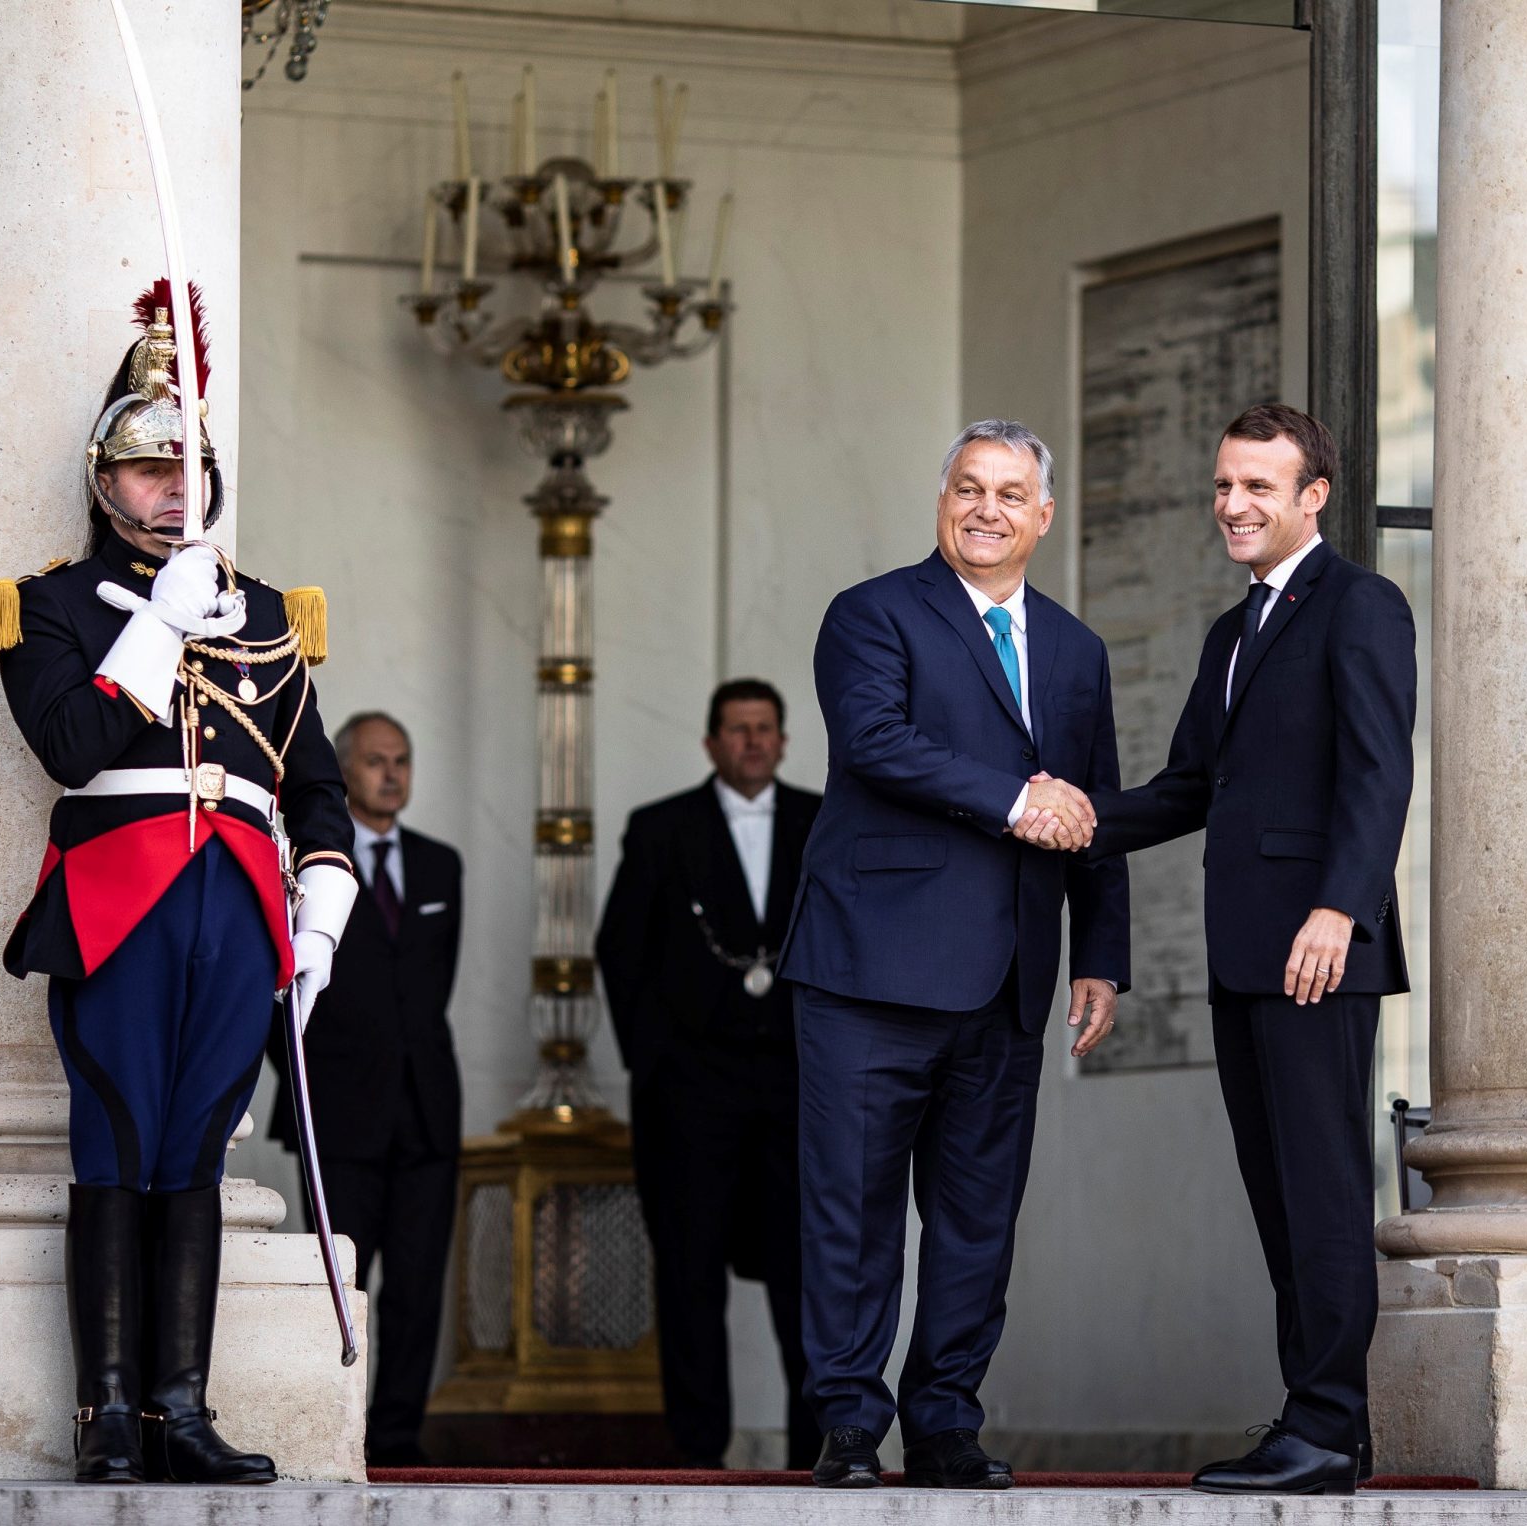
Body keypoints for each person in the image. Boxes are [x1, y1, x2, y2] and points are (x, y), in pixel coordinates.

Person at [0, 283, 358, 1485]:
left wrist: (322, 917)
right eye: (147, 469)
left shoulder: (274, 615)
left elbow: (316, 785)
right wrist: (160, 627)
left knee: (197, 1148)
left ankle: (181, 1410)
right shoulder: (44, 608)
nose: (173, 488)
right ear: (102, 481)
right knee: (118, 1135)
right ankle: (106, 1415)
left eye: (190, 467)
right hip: (120, 894)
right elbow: (73, 750)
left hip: (238, 903)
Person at [1021, 402, 1415, 1496]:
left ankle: (1328, 1425)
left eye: (1256, 487)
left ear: (1312, 497)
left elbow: (1380, 773)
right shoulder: (1231, 631)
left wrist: (1339, 908)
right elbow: (1193, 785)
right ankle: (1316, 1413)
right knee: (1278, 1193)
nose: (1232, 506)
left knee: (1323, 1190)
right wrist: (1076, 813)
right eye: (1222, 486)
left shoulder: (1362, 605)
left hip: (1316, 951)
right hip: (1245, 952)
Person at [779, 419, 1130, 1490]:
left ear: (1042, 514)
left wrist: (1099, 953)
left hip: (1010, 975)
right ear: (941, 502)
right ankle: (846, 1421)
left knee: (977, 1219)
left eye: (1008, 492)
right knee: (851, 1207)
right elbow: (875, 741)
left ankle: (944, 1421)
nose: (985, 508)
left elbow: (1091, 805)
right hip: (866, 972)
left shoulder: (1075, 648)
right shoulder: (872, 612)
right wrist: (1015, 798)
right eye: (966, 488)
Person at [594, 679, 823, 1470]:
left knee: (809, 1276)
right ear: (710, 743)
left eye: (765, 729)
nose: (753, 742)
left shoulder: (821, 820)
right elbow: (619, 950)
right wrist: (654, 1064)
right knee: (690, 1276)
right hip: (690, 1093)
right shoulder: (661, 829)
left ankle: (819, 1449)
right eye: (737, 729)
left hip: (798, 1090)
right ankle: (696, 1452)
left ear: (784, 741)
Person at [267, 710, 463, 1468]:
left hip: (427, 1113)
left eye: (402, 759)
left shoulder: (443, 865)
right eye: (376, 760)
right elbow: (278, 996)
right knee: (341, 1281)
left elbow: (430, 989)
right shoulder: (304, 862)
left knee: (417, 1289)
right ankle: (333, 1429)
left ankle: (402, 1440)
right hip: (339, 1114)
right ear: (344, 770)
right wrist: (312, 1082)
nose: (392, 773)